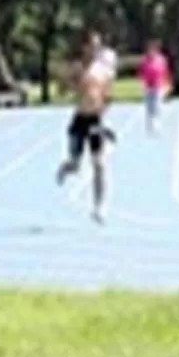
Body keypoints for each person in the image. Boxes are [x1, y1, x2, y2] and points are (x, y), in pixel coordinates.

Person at [54, 31, 116, 224]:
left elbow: (108, 95)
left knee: (99, 164)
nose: (96, 49)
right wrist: (68, 84)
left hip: (95, 119)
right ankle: (66, 167)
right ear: (85, 47)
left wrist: (103, 116)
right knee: (75, 164)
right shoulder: (78, 68)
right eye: (92, 46)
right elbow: (62, 90)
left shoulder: (103, 70)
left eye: (98, 46)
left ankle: (99, 207)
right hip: (80, 119)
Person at [139, 41, 174, 136]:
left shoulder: (162, 60)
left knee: (157, 105)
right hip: (148, 86)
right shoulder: (144, 61)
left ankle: (156, 124)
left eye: (153, 50)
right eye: (149, 50)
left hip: (158, 85)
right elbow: (141, 73)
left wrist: (168, 84)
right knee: (149, 107)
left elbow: (166, 72)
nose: (151, 52)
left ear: (156, 50)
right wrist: (142, 82)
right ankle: (149, 124)